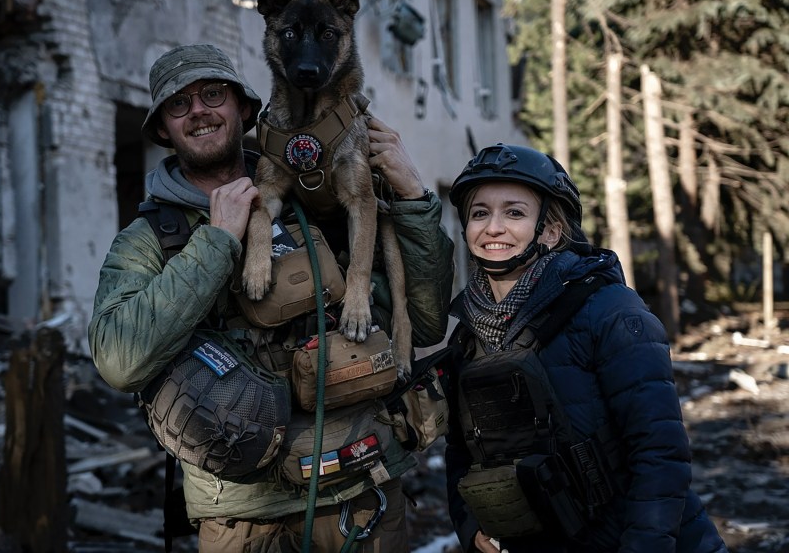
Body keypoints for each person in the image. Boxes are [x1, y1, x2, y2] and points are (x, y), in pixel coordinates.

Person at [88, 43, 455, 553]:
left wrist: (414, 199)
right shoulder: (151, 237)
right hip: (240, 518)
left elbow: (427, 321)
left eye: (212, 94)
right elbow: (118, 360)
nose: (198, 111)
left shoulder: (319, 193)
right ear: (162, 129)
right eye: (178, 104)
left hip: (357, 497)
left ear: (243, 108)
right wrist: (216, 243)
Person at [443, 143, 727, 553]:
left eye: (515, 212)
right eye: (480, 213)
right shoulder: (468, 337)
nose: (493, 228)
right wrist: (470, 526)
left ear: (552, 230)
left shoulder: (609, 311)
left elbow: (659, 452)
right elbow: (461, 452)